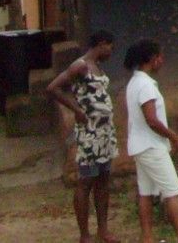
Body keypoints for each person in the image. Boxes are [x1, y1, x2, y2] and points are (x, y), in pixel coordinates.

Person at [46, 30, 119, 243]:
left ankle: (103, 230)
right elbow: (53, 88)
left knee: (103, 181)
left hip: (105, 133)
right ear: (102, 44)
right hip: (90, 133)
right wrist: (76, 110)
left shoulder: (98, 67)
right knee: (86, 182)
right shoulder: (80, 66)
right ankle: (84, 234)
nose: (111, 52)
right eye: (110, 47)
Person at [124, 39, 178, 243]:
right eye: (160, 57)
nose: (162, 61)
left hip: (140, 146)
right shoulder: (146, 85)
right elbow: (152, 120)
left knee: (145, 192)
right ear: (153, 59)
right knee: (172, 192)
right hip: (151, 146)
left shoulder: (134, 82)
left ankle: (147, 237)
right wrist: (172, 135)